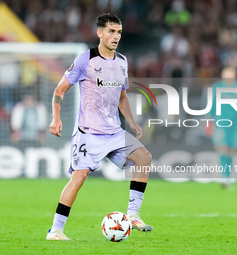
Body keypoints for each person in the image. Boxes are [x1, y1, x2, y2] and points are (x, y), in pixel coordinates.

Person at [46, 13, 152, 241]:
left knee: (144, 157)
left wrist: (132, 122)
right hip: (89, 134)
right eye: (112, 31)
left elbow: (122, 97)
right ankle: (55, 230)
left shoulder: (122, 61)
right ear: (100, 33)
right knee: (79, 177)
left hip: (113, 131)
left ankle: (133, 214)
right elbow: (59, 90)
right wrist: (55, 118)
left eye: (119, 32)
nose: (116, 36)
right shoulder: (85, 60)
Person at [206, 67, 237, 188]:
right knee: (222, 149)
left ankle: (227, 177)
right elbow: (211, 105)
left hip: (235, 125)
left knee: (232, 151)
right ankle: (223, 176)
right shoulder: (216, 87)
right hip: (220, 124)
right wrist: (208, 121)